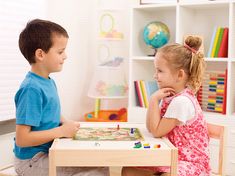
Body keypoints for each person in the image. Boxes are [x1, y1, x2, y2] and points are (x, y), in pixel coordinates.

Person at [14, 19, 109, 176]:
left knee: (100, 164)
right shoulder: (31, 89)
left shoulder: (46, 81)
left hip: (47, 152)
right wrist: (61, 131)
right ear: (40, 54)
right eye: (60, 52)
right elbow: (22, 139)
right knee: (96, 172)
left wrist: (65, 122)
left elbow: (49, 111)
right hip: (31, 162)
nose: (65, 56)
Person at [122, 36, 210, 176]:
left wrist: (153, 100)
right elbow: (152, 128)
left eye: (160, 71)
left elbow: (157, 131)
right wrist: (155, 101)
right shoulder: (170, 96)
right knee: (128, 170)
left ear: (180, 75)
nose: (155, 76)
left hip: (189, 163)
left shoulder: (181, 102)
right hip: (171, 157)